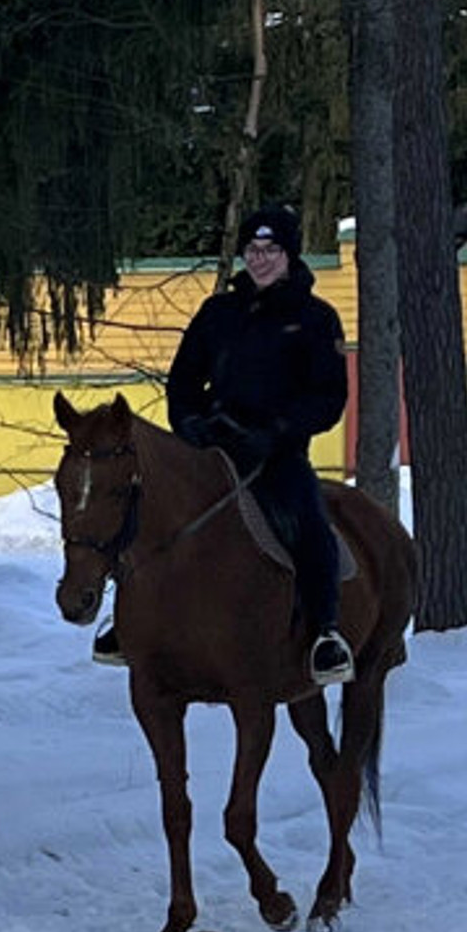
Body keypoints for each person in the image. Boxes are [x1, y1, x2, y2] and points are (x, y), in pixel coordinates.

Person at [94, 204, 354, 686]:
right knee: (141, 511)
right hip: (211, 446)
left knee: (310, 522)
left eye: (270, 250)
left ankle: (324, 633)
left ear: (289, 254)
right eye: (252, 250)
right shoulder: (218, 312)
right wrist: (189, 422)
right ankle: (125, 622)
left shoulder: (317, 318)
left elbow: (328, 397)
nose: (259, 259)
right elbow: (184, 379)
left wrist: (278, 431)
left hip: (276, 453)